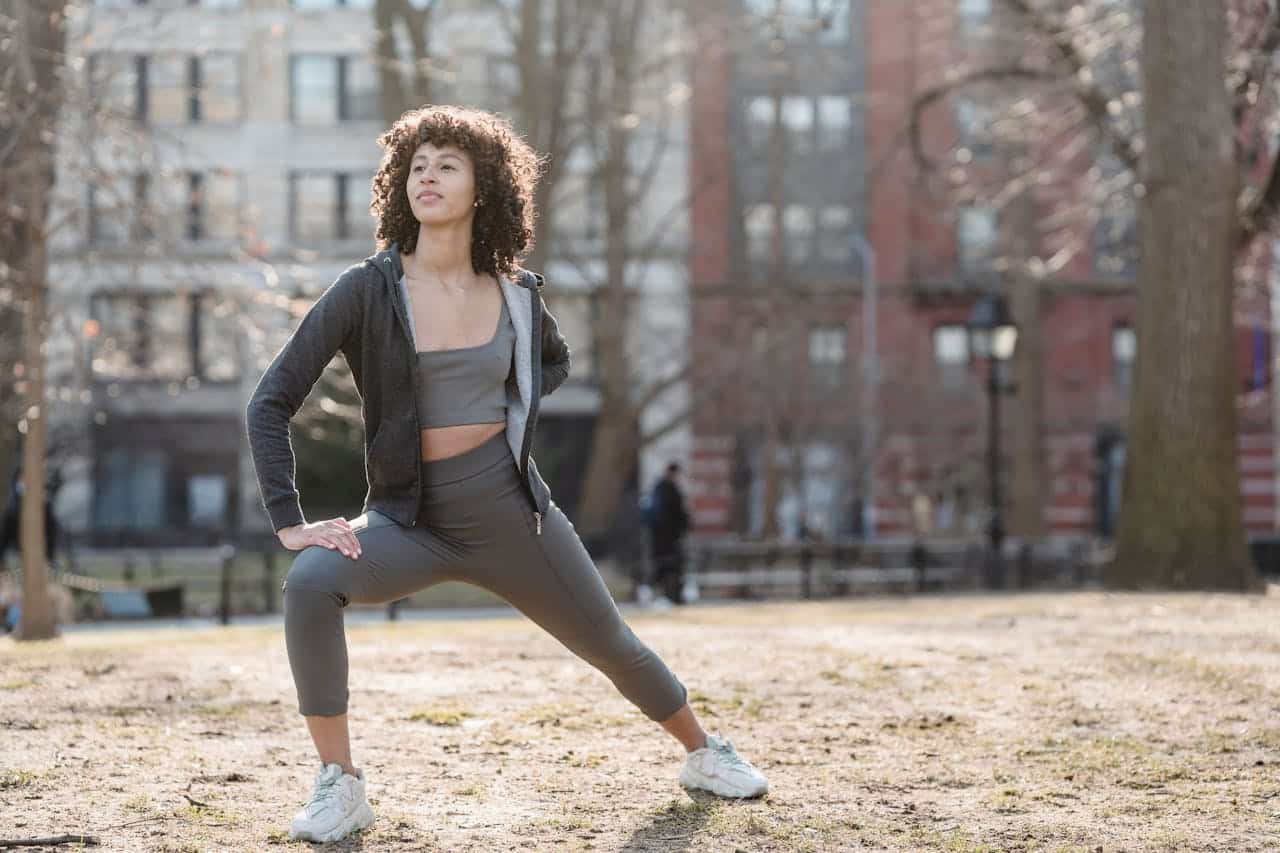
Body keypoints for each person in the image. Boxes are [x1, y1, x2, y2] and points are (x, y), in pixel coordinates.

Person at [246, 105, 768, 845]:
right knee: (310, 582)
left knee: (612, 641)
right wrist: (289, 518)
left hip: (511, 514)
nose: (428, 175)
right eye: (417, 165)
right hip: (407, 520)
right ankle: (341, 783)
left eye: (447, 165)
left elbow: (551, 361)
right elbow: (269, 401)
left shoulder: (518, 294)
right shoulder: (367, 290)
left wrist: (509, 414)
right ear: (400, 183)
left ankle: (704, 753)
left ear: (483, 187)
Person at [645, 462, 691, 605]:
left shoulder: (658, 488)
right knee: (673, 567)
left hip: (658, 537)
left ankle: (654, 594)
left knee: (661, 567)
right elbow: (680, 515)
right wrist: (685, 525)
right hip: (671, 537)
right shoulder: (671, 490)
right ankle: (674, 596)